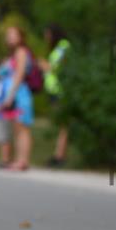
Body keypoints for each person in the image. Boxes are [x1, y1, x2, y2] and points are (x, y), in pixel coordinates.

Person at [0, 26, 34, 170]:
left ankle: (23, 161)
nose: (10, 37)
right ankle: (19, 160)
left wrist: (10, 96)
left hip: (20, 95)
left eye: (13, 35)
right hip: (15, 94)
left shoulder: (21, 51)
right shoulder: (13, 54)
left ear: (21, 37)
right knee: (17, 128)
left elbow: (19, 74)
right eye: (8, 35)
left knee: (22, 128)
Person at [38, 24, 71, 167]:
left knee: (64, 124)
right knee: (60, 124)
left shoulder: (64, 45)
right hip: (54, 91)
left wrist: (44, 65)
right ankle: (58, 154)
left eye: (48, 33)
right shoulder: (57, 48)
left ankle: (60, 156)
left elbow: (58, 66)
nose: (46, 37)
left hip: (60, 91)